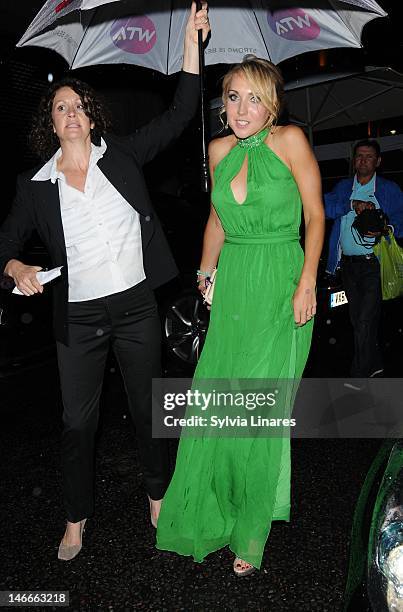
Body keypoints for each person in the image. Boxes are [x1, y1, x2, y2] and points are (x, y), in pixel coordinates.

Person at [0, 2, 210, 561]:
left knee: (147, 408)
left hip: (138, 305)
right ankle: (75, 518)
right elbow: (6, 244)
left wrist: (192, 42)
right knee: (77, 422)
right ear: (51, 122)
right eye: (60, 107)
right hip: (81, 316)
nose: (70, 114)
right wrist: (15, 267)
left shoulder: (123, 157)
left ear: (91, 119)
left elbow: (182, 110)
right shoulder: (35, 185)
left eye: (78, 107)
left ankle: (158, 496)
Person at [156, 57, 325, 575]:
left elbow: (317, 216)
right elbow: (216, 221)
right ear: (221, 102)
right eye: (233, 97)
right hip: (233, 290)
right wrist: (204, 275)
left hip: (280, 282)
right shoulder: (218, 150)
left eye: (254, 97)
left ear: (272, 102)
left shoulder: (290, 141)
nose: (242, 108)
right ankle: (219, 511)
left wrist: (306, 282)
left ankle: (250, 535)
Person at [324, 139, 403, 377]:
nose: (363, 160)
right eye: (359, 156)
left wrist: (385, 228)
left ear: (378, 161)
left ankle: (358, 375)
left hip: (374, 265)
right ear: (353, 160)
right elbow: (324, 208)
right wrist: (352, 204)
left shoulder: (389, 189)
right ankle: (375, 364)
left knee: (365, 321)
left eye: (369, 156)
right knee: (358, 321)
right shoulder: (344, 187)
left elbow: (400, 220)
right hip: (347, 265)